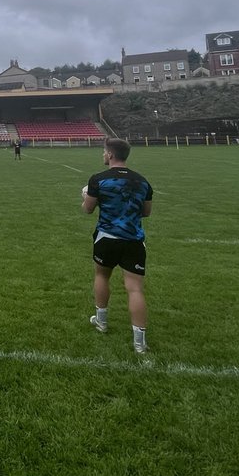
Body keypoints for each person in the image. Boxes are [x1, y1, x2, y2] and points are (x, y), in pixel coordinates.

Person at [81, 138, 154, 354]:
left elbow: (87, 209)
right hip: (133, 239)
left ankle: (101, 321)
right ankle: (140, 343)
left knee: (102, 276)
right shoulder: (142, 182)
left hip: (107, 238)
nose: (103, 155)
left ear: (111, 155)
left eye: (104, 152)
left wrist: (85, 196)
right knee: (135, 288)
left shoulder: (98, 179)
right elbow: (146, 212)